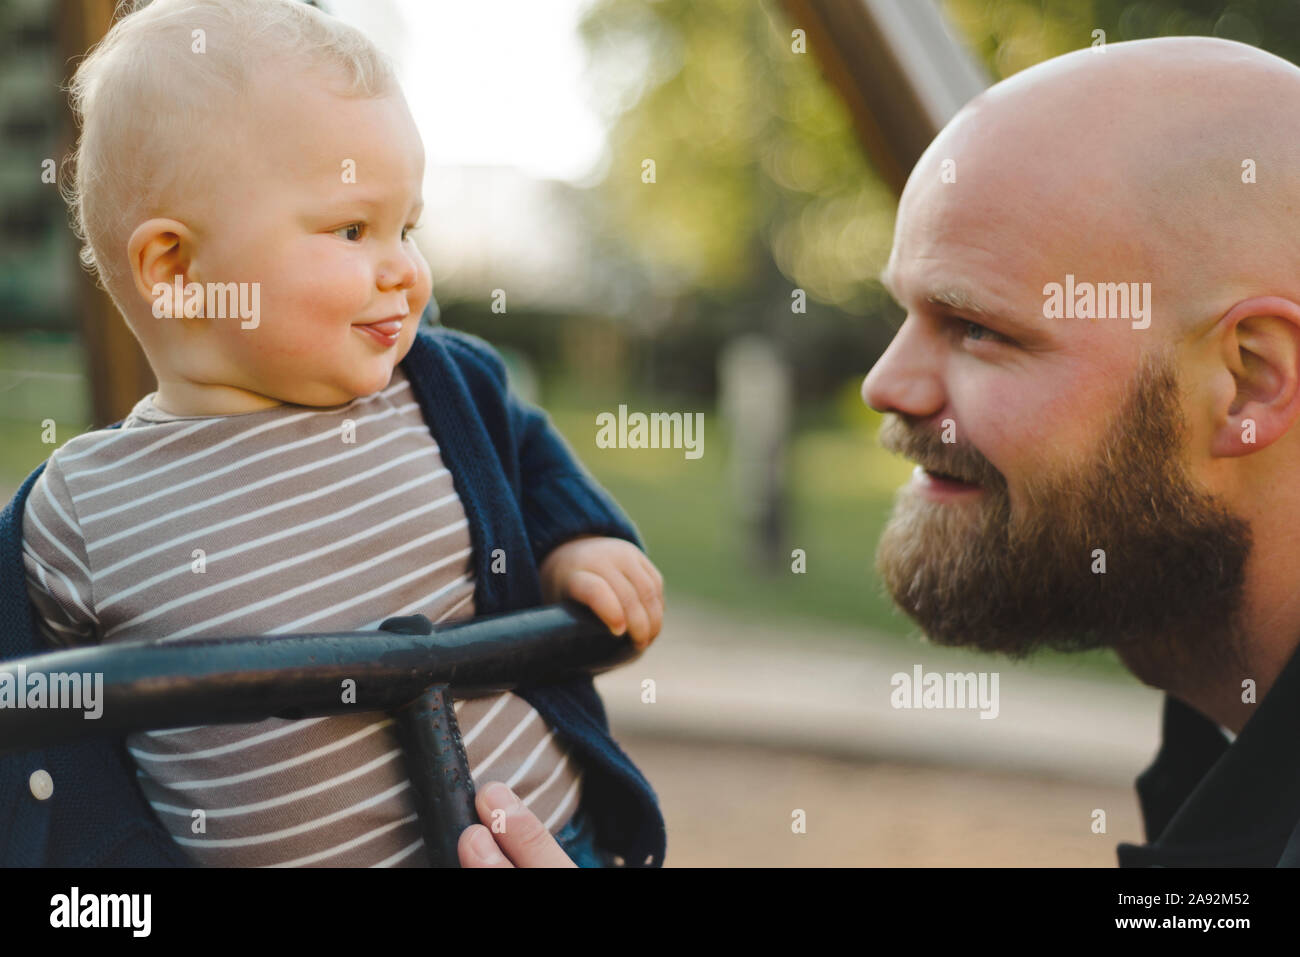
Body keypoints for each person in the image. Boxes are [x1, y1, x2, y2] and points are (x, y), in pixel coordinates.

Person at [1, 0, 664, 868]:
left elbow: (527, 458)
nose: (406, 269)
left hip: (547, 840)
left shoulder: (439, 386)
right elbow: (40, 735)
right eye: (353, 229)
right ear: (177, 269)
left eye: (408, 226)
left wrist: (575, 542)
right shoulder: (79, 511)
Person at [863, 35, 1300, 867]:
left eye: (978, 327)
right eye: (905, 314)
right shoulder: (1221, 734)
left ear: (1248, 383)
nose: (886, 385)